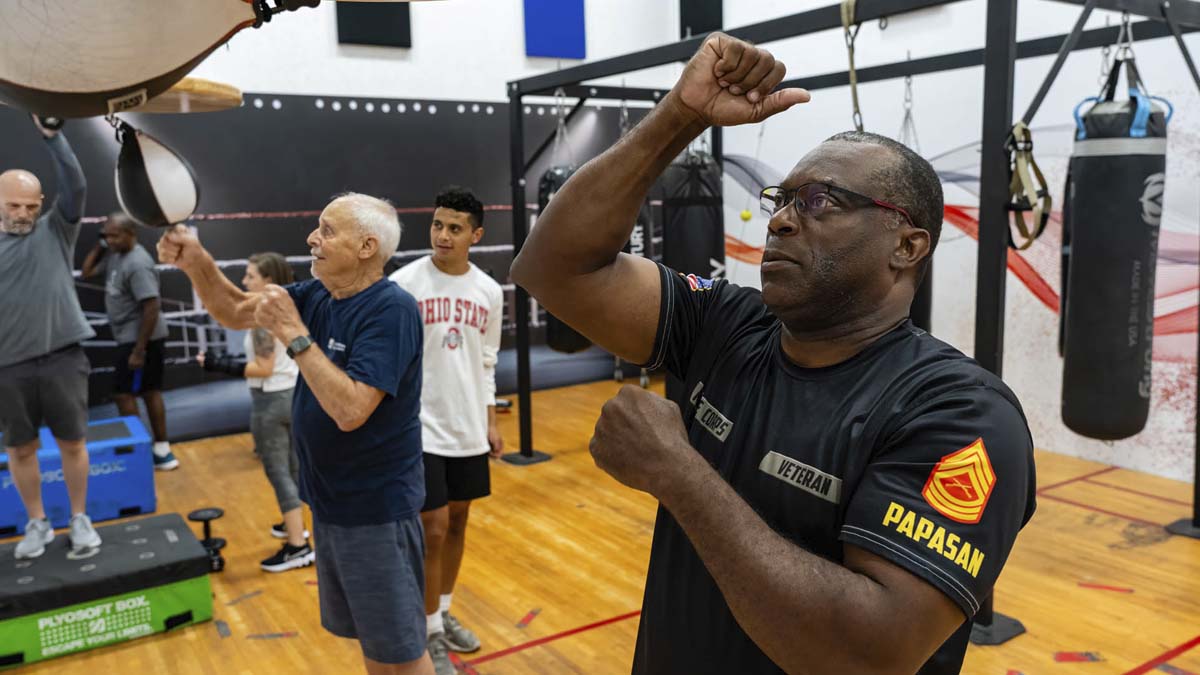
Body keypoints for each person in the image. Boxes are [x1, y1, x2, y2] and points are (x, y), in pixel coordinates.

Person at [511, 34, 1037, 675]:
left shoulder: (961, 414)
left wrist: (679, 473)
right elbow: (553, 268)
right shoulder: (727, 322)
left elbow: (871, 655)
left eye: (820, 202)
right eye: (781, 200)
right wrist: (684, 111)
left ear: (907, 246)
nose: (782, 221)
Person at [157, 193, 434, 675]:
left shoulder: (391, 310)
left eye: (327, 230)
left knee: (402, 654)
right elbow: (237, 309)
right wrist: (196, 263)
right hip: (330, 505)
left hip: (376, 510)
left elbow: (350, 409)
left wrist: (295, 336)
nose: (312, 238)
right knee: (376, 644)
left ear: (367, 246)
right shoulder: (318, 294)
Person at [389, 187, 503, 674]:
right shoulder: (403, 284)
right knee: (432, 528)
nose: (442, 235)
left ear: (475, 235)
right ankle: (430, 630)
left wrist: (491, 419)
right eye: (437, 225)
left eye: (455, 228)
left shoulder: (489, 291)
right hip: (419, 427)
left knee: (457, 523)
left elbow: (487, 360)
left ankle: (442, 611)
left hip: (467, 426)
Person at [0, 116, 103, 559]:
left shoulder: (56, 230)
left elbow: (76, 185)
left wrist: (53, 137)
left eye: (29, 205)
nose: (23, 213)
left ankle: (79, 518)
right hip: (9, 367)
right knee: (20, 450)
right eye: (13, 205)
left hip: (62, 356)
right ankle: (37, 523)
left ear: (41, 204)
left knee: (74, 443)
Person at [198, 252, 312, 573]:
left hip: (271, 402)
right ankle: (295, 525)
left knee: (278, 473)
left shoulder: (264, 315)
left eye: (250, 276)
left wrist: (217, 363)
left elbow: (263, 368)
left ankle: (297, 546)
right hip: (292, 395)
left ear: (268, 282)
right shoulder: (289, 307)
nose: (244, 282)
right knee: (292, 470)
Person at [81, 212, 178, 470]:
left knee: (130, 393)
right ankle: (156, 450)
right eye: (106, 235)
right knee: (144, 391)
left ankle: (152, 448)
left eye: (114, 235)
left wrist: (139, 349)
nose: (109, 240)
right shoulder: (116, 256)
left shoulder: (138, 263)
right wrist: (102, 245)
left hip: (142, 339)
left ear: (130, 234)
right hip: (129, 337)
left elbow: (151, 306)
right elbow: (87, 272)